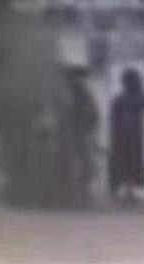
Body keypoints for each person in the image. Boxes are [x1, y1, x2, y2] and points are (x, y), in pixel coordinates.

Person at [58, 66, 99, 207]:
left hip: (80, 133)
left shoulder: (82, 94)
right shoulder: (70, 94)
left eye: (79, 77)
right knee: (74, 164)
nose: (78, 80)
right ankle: (76, 194)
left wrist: (90, 129)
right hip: (73, 134)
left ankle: (82, 194)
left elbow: (93, 115)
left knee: (84, 164)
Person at [108, 68, 144, 204]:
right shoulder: (131, 99)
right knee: (129, 162)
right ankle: (128, 190)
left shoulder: (121, 100)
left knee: (129, 163)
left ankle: (128, 190)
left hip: (127, 137)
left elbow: (113, 121)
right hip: (129, 138)